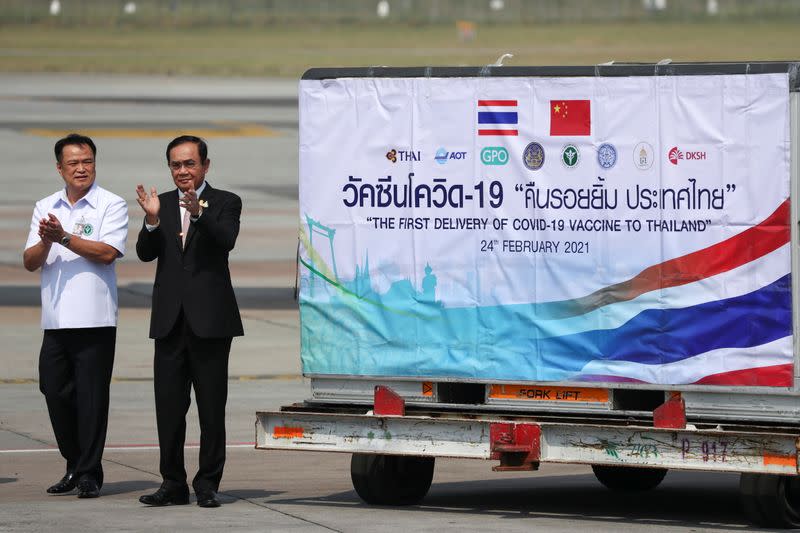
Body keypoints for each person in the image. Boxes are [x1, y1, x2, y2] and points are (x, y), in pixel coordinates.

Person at [135, 135, 243, 508]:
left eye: (189, 164)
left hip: (210, 322)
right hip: (169, 322)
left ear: (205, 166)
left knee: (211, 408)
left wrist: (199, 212)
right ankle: (172, 482)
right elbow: (145, 254)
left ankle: (208, 483)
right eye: (176, 165)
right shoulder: (160, 202)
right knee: (169, 407)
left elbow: (226, 239)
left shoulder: (226, 201)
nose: (182, 171)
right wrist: (150, 221)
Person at [23, 133, 128, 499]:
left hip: (95, 319)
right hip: (55, 321)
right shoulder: (45, 206)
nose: (81, 168)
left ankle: (88, 473)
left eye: (87, 161)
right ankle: (74, 461)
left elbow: (107, 252)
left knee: (92, 398)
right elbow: (30, 261)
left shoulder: (110, 204)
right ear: (60, 168)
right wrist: (48, 239)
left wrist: (64, 237)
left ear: (94, 163)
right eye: (73, 163)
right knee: (53, 391)